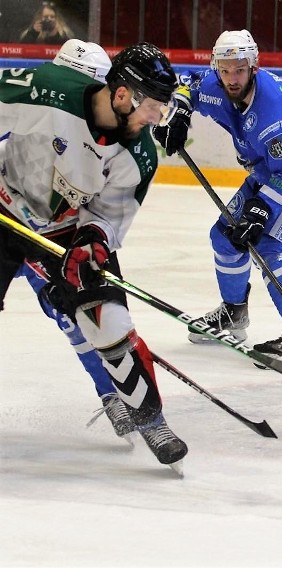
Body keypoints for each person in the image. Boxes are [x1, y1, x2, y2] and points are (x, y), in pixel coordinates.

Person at [0, 42, 189, 470]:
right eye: (154, 107)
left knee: (109, 321)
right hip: (5, 203)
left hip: (67, 227)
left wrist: (92, 243)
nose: (157, 118)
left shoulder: (140, 154)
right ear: (123, 95)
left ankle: (151, 419)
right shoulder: (47, 91)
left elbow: (110, 214)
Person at [153, 29, 282, 362]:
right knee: (225, 237)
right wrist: (178, 113)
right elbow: (187, 83)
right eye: (224, 70)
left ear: (253, 66)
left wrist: (261, 210)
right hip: (268, 171)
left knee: (268, 248)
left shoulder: (273, 112)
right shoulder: (216, 84)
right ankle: (234, 315)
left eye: (239, 69)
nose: (231, 78)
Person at [4, 39, 135, 443]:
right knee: (67, 313)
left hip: (61, 232)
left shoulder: (99, 130)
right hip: (14, 225)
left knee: (78, 316)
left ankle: (112, 392)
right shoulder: (30, 109)